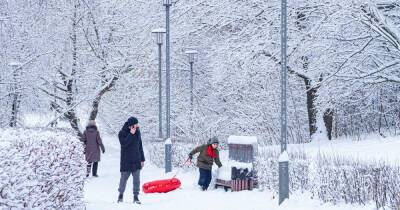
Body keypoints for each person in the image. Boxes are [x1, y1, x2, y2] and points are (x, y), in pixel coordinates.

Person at [117, 117, 145, 204]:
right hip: (126, 161)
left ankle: (136, 197)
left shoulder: (138, 132)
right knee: (123, 179)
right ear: (131, 126)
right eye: (136, 124)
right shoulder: (122, 133)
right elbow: (124, 144)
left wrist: (142, 159)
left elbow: (140, 146)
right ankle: (120, 195)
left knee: (137, 180)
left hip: (136, 159)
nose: (137, 126)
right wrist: (131, 134)